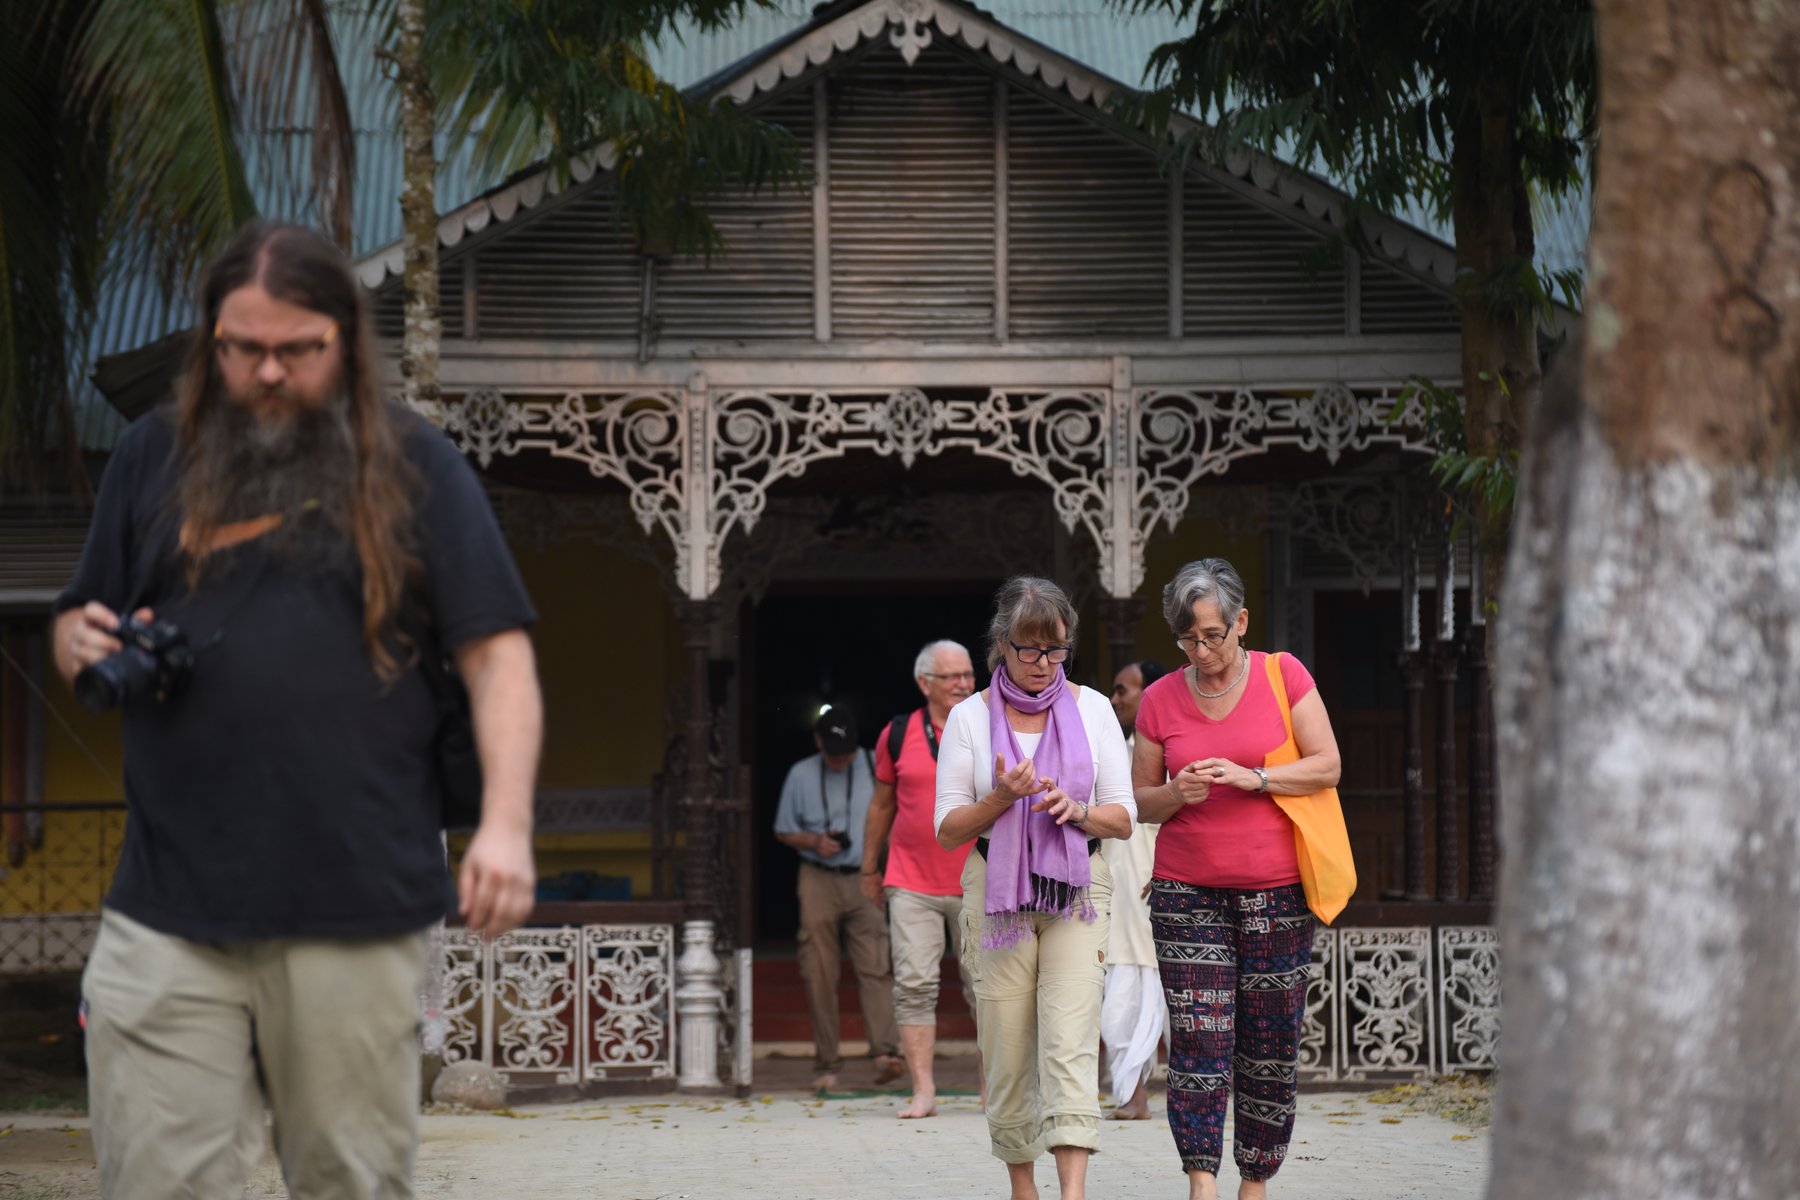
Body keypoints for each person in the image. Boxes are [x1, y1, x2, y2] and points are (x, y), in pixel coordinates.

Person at [52, 221, 541, 1200]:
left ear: (344, 340)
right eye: (243, 348)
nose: (268, 372)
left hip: (354, 913)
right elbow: (79, 618)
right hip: (168, 911)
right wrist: (77, 644)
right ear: (212, 340)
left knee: (349, 1185)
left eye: (297, 349)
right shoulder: (150, 457)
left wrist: (506, 825)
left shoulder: (417, 467)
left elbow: (498, 659)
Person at [1132, 558, 1342, 1200]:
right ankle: (1202, 1181)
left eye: (1212, 635)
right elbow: (1139, 801)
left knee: (1269, 1042)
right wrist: (1176, 791)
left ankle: (1256, 1181)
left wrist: (1258, 778)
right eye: (1187, 640)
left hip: (1277, 891)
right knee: (1200, 1037)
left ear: (1241, 621)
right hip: (1185, 891)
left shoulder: (1284, 674)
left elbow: (1328, 764)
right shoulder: (1158, 698)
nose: (1201, 652)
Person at [935, 576, 1136, 1200]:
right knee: (1007, 1045)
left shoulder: (1093, 708)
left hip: (1077, 889)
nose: (1043, 663)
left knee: (1070, 1042)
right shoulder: (969, 717)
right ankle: (1023, 1187)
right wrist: (1002, 797)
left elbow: (1123, 817)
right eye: (1029, 649)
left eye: (1056, 649)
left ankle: (1073, 1193)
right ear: (1002, 644)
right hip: (997, 893)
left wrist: (1076, 810)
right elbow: (947, 829)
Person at [860, 639, 978, 1118]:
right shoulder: (896, 733)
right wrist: (869, 867)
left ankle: (994, 1090)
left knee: (988, 988)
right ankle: (924, 1090)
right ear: (924, 683)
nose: (963, 684)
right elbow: (881, 805)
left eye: (968, 674)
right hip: (910, 880)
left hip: (979, 880)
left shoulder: (990, 724)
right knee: (913, 985)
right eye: (951, 677)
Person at [773, 706, 904, 1091]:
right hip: (817, 877)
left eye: (845, 753)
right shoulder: (800, 773)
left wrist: (887, 869)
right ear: (818, 742)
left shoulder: (875, 764)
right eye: (833, 753)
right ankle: (827, 1063)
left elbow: (895, 818)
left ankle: (886, 1053)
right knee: (818, 970)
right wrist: (814, 841)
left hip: (866, 875)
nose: (840, 759)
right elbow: (783, 830)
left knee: (876, 963)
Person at [1100, 658, 1170, 1120]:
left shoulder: (1172, 752)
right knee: (1120, 1000)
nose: (1115, 698)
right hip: (1116, 893)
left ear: (1152, 694)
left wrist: (1167, 871)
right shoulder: (1112, 749)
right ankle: (1132, 1096)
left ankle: (1197, 1100)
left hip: (1160, 891)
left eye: (1123, 689)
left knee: (1166, 994)